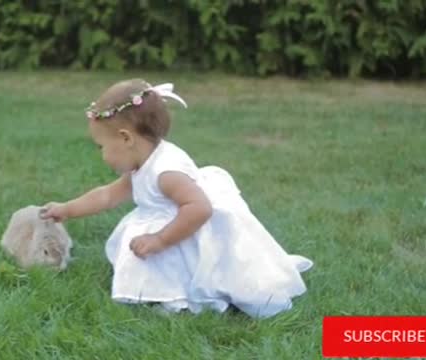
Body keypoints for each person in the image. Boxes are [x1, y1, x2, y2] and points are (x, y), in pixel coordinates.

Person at [41, 79, 312, 318]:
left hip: (188, 227)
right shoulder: (142, 163)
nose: (102, 155)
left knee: (181, 261)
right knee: (146, 246)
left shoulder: (165, 173)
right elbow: (107, 195)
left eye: (102, 147)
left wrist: (160, 239)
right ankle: (162, 285)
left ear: (125, 139)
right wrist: (67, 209)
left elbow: (200, 209)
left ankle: (182, 296)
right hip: (176, 218)